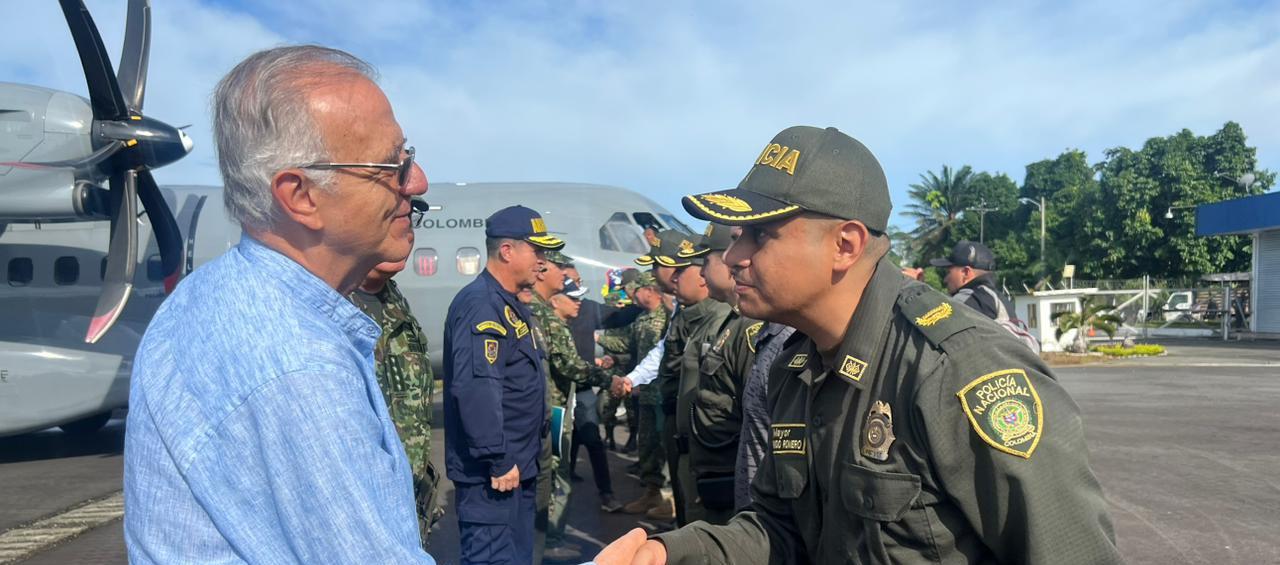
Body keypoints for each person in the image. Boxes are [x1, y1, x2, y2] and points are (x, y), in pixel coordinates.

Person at [599, 125, 1122, 564]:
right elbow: (783, 530)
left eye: (758, 234)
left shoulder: (958, 370)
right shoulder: (793, 369)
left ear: (844, 245)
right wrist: (671, 554)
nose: (733, 256)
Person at [124, 46, 433, 562]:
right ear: (301, 196)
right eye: (391, 165)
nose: (417, 182)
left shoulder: (211, 292)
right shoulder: (299, 364)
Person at [443, 205, 563, 564]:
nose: (543, 261)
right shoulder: (482, 305)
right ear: (507, 251)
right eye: (537, 251)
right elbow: (477, 387)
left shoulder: (508, 305)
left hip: (517, 468)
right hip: (495, 476)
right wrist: (497, 458)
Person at [530, 250, 615, 562]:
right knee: (556, 475)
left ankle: (551, 538)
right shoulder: (550, 320)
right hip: (553, 412)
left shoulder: (542, 314)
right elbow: (572, 367)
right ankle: (551, 540)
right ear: (555, 300)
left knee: (556, 473)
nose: (579, 302)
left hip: (555, 409)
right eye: (572, 296)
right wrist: (610, 379)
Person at [674, 223, 761, 525]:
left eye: (706, 262)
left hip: (728, 483)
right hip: (709, 471)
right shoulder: (730, 323)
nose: (700, 273)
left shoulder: (749, 328)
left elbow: (755, 424)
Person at [349, 257, 440, 544]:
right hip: (363, 515)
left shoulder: (392, 299)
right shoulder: (330, 300)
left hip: (408, 503)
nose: (407, 227)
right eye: (393, 212)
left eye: (412, 215)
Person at [660, 235, 733, 526]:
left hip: (713, 455)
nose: (674, 279)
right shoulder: (694, 318)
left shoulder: (726, 321)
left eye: (683, 270)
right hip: (690, 447)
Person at [614, 271, 671, 517]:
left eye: (635, 291)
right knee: (646, 443)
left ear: (649, 290)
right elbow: (628, 345)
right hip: (646, 392)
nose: (633, 297)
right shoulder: (642, 319)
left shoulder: (669, 316)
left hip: (664, 394)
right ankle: (652, 492)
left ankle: (667, 497)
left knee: (664, 445)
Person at [930, 240, 1013, 321]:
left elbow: (927, 325)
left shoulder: (969, 300)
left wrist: (918, 287)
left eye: (948, 272)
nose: (945, 279)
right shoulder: (1000, 300)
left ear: (966, 272)